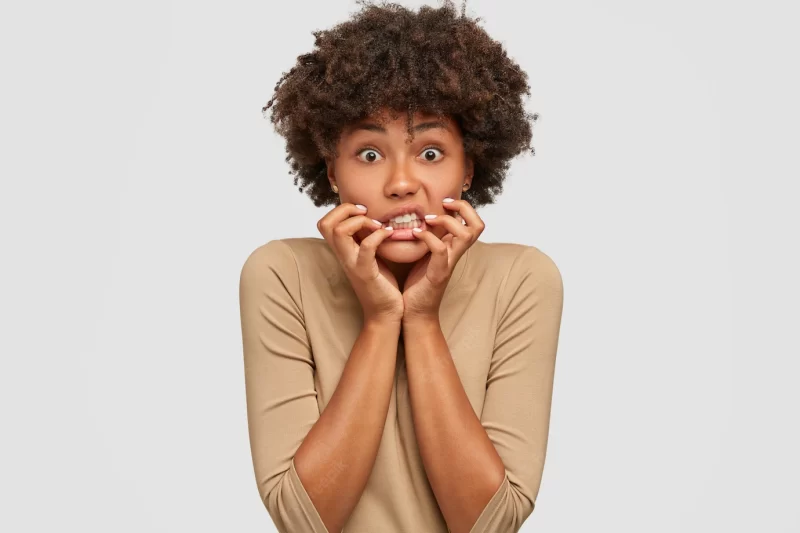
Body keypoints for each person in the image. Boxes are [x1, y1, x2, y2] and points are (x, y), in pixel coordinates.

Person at [239, 1, 564, 531]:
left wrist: (423, 318)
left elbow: (491, 523)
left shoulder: (522, 280)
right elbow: (303, 520)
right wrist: (379, 319)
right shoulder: (282, 275)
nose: (401, 182)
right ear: (332, 172)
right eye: (369, 154)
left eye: (431, 153)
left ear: (468, 169)